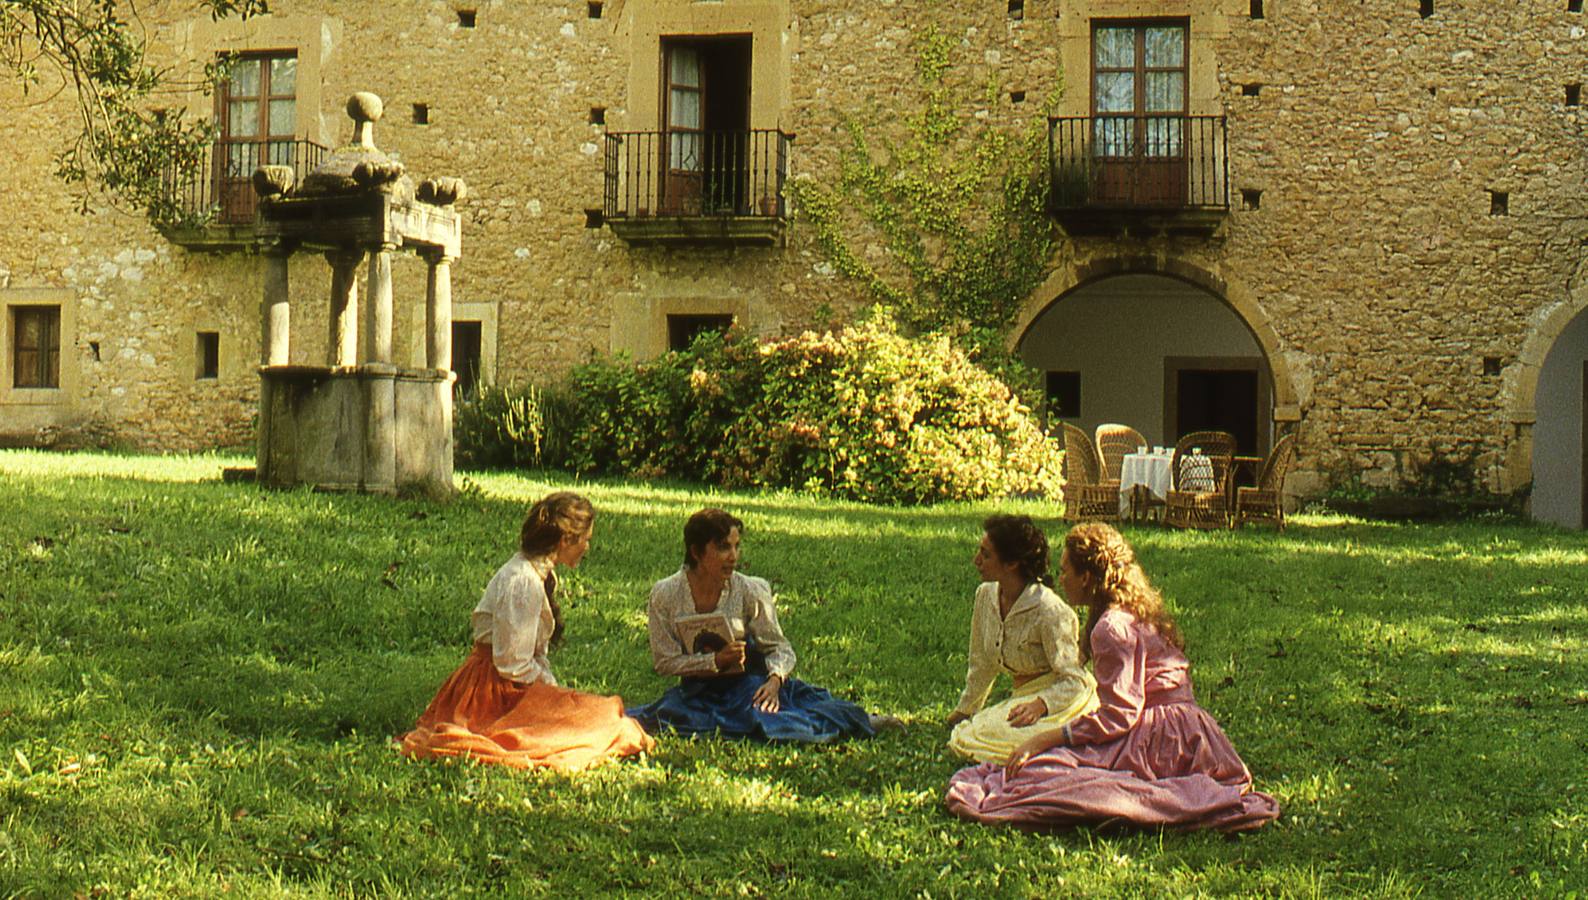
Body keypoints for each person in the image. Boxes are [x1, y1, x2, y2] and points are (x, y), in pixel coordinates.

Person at [945, 522, 1280, 831]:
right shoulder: (1123, 610)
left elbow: (1120, 715)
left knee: (1049, 773)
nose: (1059, 580)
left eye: (1065, 572)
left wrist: (1045, 738)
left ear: (1087, 577)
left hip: (1161, 735)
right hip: (1192, 731)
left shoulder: (1111, 627)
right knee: (1052, 765)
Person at [398, 492, 654, 770]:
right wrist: (551, 690)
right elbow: (512, 664)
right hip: (495, 694)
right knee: (600, 720)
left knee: (605, 714)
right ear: (565, 540)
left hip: (509, 683)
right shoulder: (523, 582)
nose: (587, 547)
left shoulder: (537, 572)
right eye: (585, 539)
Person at [627, 508, 895, 742]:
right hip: (695, 692)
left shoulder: (748, 590)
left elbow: (779, 648)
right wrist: (713, 661)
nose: (733, 556)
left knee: (773, 720)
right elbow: (664, 662)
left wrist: (775, 682)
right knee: (659, 719)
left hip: (747, 684)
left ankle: (858, 720)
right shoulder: (665, 594)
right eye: (723, 547)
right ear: (697, 552)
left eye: (736, 546)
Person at [945, 514, 1099, 763]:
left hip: (1062, 701)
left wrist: (1042, 704)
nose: (976, 561)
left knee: (994, 739)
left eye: (985, 555)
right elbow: (982, 662)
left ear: (1011, 564)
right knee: (971, 734)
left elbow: (1075, 680)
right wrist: (965, 709)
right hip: (1023, 697)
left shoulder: (1050, 611)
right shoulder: (985, 596)